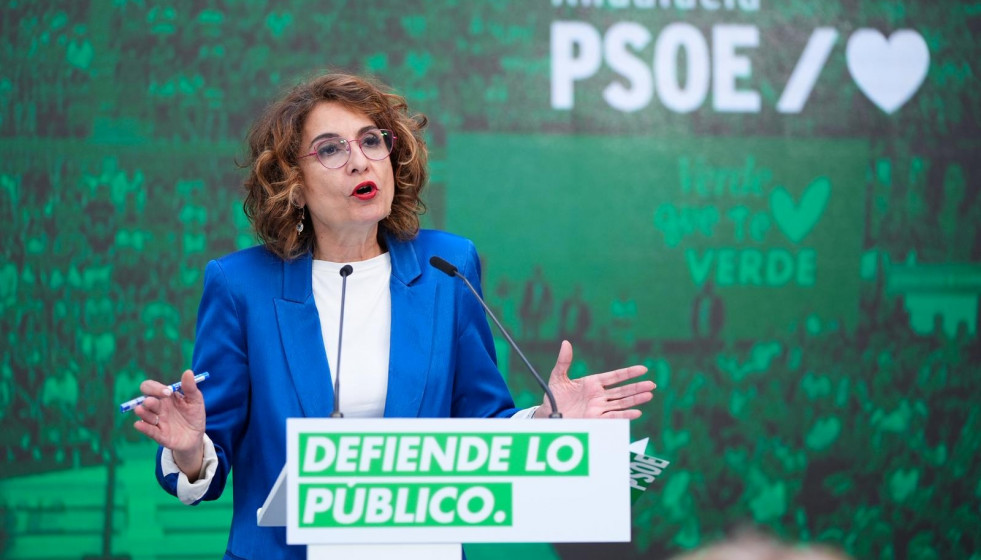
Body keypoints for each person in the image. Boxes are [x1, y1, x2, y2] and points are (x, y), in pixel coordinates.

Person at [130, 72, 655, 559]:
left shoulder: (446, 268)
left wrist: (549, 425)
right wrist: (191, 448)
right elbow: (206, 465)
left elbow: (481, 422)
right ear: (292, 181)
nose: (360, 161)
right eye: (331, 149)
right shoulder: (241, 285)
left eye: (372, 140)